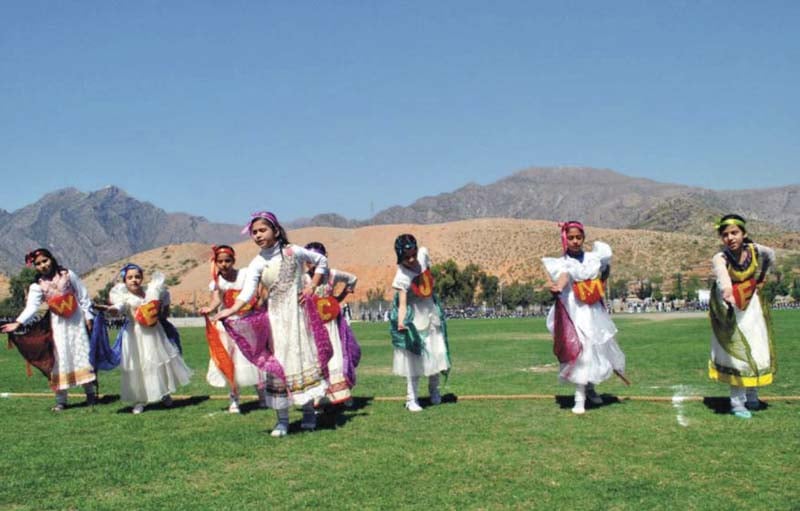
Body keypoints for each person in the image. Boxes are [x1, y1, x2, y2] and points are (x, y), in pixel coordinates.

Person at [214, 212, 331, 437]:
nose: (258, 235)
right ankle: (283, 420)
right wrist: (229, 311)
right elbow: (247, 293)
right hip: (275, 319)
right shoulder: (257, 263)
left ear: (276, 231)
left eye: (262, 230)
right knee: (279, 364)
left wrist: (311, 286)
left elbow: (321, 261)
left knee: (300, 358)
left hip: (298, 317)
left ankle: (308, 413)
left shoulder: (294, 252)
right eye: (254, 232)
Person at [542, 222, 627, 415]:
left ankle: (589, 389)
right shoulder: (564, 262)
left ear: (583, 238)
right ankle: (579, 397)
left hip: (592, 310)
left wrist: (604, 276)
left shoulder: (592, 258)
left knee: (592, 349)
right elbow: (564, 276)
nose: (575, 241)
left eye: (578, 237)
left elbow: (604, 272)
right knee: (580, 351)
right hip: (574, 312)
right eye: (571, 238)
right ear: (565, 239)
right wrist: (558, 287)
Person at [1, 248, 97, 411]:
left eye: (45, 261)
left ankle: (90, 395)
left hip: (76, 321)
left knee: (81, 354)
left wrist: (88, 316)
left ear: (51, 259)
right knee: (58, 359)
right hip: (57, 324)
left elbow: (83, 295)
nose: (43, 265)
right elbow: (32, 307)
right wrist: (18, 322)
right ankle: (61, 400)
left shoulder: (68, 275)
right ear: (35, 267)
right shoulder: (37, 286)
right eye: (38, 264)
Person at [708, 214, 776, 419]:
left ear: (744, 234)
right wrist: (728, 293)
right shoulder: (721, 257)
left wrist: (762, 276)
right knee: (737, 354)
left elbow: (771, 255)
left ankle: (753, 396)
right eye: (725, 234)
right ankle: (737, 403)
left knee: (756, 349)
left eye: (734, 233)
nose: (730, 238)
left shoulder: (756, 250)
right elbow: (723, 278)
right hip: (730, 307)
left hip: (752, 307)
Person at [108, 264, 192, 414]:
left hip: (154, 333)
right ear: (125, 280)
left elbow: (165, 297)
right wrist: (114, 310)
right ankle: (140, 400)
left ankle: (164, 393)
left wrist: (163, 311)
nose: (134, 280)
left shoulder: (150, 292)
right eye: (130, 277)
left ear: (142, 278)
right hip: (134, 335)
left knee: (158, 362)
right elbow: (120, 307)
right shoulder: (123, 295)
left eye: (137, 277)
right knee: (139, 365)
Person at [199, 245, 267, 413]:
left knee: (253, 359)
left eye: (227, 260)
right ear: (216, 262)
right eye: (220, 261)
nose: (224, 264)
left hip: (247, 323)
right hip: (227, 326)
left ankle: (262, 395)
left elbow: (257, 289)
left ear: (233, 261)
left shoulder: (245, 275)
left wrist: (259, 302)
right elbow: (216, 300)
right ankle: (234, 398)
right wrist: (209, 308)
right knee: (230, 362)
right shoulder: (217, 283)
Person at [389, 234, 451, 412]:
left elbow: (428, 274)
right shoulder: (401, 275)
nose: (411, 259)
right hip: (415, 318)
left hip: (431, 313)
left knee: (436, 353)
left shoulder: (423, 255)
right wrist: (401, 323)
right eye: (406, 257)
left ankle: (435, 391)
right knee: (415, 360)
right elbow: (401, 304)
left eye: (413, 254)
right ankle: (411, 399)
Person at [304, 242, 361, 407]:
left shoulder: (332, 275)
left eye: (315, 260)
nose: (311, 264)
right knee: (316, 360)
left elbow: (352, 279)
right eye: (309, 260)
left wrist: (338, 299)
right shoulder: (304, 278)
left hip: (333, 326)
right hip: (313, 327)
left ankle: (343, 394)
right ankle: (318, 396)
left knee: (337, 357)